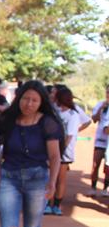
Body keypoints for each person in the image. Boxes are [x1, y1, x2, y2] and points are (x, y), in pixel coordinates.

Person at [0, 81, 62, 227]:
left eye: (34, 100)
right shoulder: (8, 121)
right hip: (8, 178)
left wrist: (52, 182)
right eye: (25, 98)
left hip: (37, 179)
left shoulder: (48, 123)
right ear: (18, 98)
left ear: (41, 102)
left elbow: (54, 156)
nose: (28, 103)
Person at [46, 87, 81, 216]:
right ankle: (47, 204)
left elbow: (69, 136)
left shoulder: (73, 114)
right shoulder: (55, 111)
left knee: (60, 178)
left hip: (64, 152)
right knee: (50, 178)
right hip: (52, 150)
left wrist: (59, 151)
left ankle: (56, 205)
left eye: (56, 95)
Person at [89, 85, 109, 196]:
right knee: (95, 164)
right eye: (107, 92)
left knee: (108, 167)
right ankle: (93, 187)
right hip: (100, 140)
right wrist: (101, 108)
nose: (108, 95)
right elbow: (94, 119)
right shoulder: (100, 105)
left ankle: (105, 188)